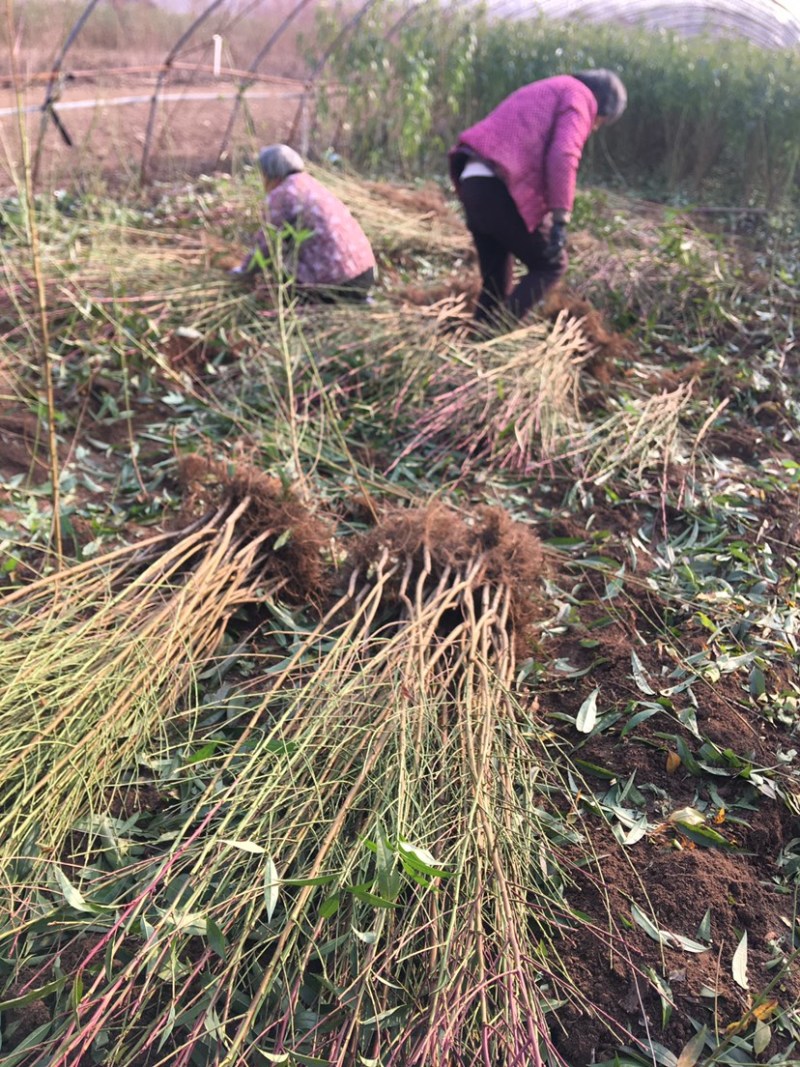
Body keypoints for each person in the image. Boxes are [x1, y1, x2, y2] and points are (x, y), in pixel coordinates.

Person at [449, 70, 627, 327]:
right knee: (550, 264)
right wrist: (560, 216)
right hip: (498, 183)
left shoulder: (550, 87)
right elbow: (564, 155)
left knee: (496, 282)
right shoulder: (579, 97)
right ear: (601, 105)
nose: (596, 126)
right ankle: (497, 336)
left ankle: (476, 343)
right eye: (601, 120)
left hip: (473, 180)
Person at [231, 144, 377, 302]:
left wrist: (242, 273)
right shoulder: (311, 184)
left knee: (276, 283)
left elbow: (266, 242)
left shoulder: (282, 194)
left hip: (335, 281)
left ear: (269, 174)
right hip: (365, 273)